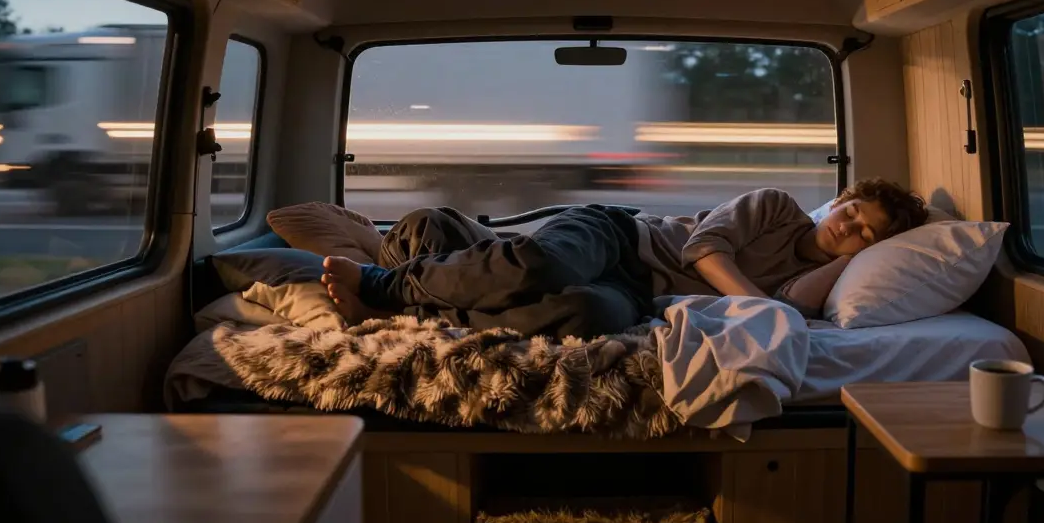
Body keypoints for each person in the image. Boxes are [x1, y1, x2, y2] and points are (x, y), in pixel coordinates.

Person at [321, 178, 929, 338]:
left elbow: (795, 308)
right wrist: (755, 300)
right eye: (852, 211)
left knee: (590, 317)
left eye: (864, 234)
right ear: (840, 202)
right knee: (545, 268)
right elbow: (702, 249)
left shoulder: (815, 277)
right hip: (618, 236)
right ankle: (382, 282)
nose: (848, 228)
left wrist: (850, 264)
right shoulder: (777, 206)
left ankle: (421, 309)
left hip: (636, 292)